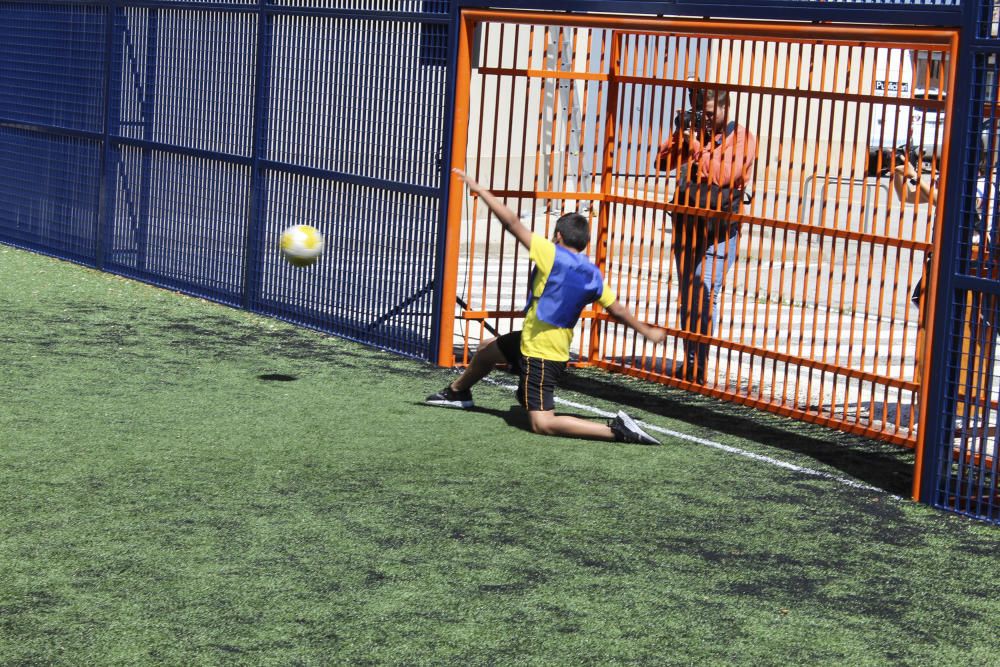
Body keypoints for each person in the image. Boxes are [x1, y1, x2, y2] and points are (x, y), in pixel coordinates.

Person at [426, 168, 668, 445]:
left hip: (542, 353)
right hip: (539, 340)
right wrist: (647, 333)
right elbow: (618, 310)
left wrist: (482, 192)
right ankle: (458, 393)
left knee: (542, 424)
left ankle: (616, 430)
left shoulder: (552, 253)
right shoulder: (592, 273)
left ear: (558, 236)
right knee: (486, 350)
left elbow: (513, 223)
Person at [655, 83, 757, 383]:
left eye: (711, 114)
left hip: (720, 228)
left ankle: (698, 362)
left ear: (726, 108)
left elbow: (724, 175)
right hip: (687, 224)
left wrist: (696, 147)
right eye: (703, 114)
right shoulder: (694, 133)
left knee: (706, 292)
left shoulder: (742, 137)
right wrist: (680, 135)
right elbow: (662, 163)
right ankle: (691, 364)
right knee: (689, 295)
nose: (707, 120)